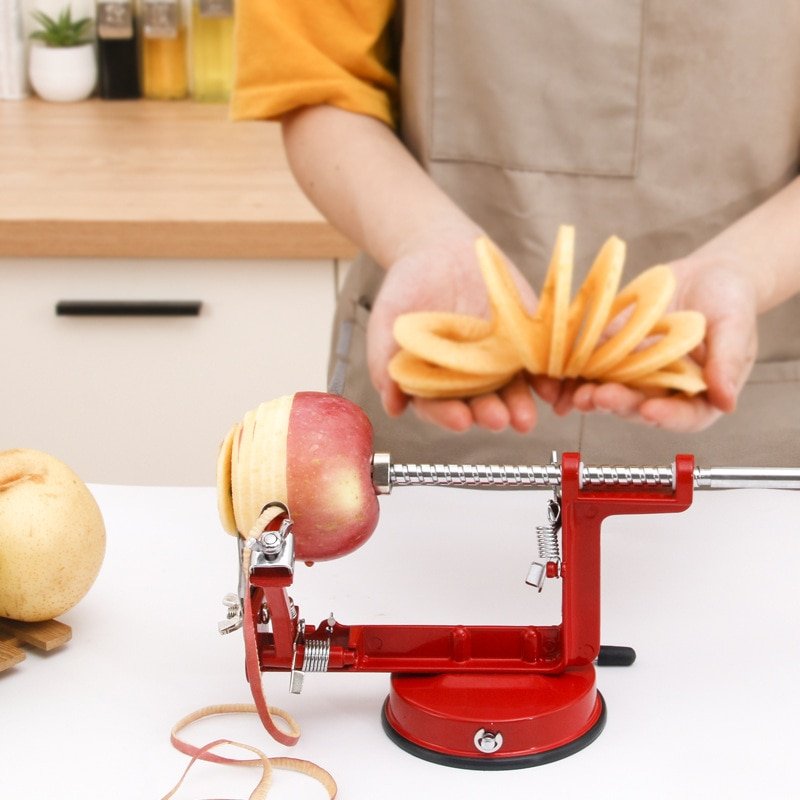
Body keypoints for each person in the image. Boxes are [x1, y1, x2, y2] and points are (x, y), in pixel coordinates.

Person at [232, 1, 800, 467]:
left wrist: (748, 271)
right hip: (439, 422)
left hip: (754, 430)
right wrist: (421, 237)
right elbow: (316, 80)